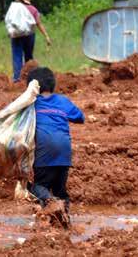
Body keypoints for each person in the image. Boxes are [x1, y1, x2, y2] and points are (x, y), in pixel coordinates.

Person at [26, 67, 85, 215]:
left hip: (44, 152)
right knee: (60, 191)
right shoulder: (62, 101)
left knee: (37, 186)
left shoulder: (31, 103)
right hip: (64, 154)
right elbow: (80, 117)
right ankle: (65, 223)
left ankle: (50, 202)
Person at [7, 0, 51, 83]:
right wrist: (46, 36)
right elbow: (38, 23)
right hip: (29, 36)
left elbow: (9, 21)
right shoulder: (33, 9)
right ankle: (30, 78)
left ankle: (17, 79)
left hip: (16, 36)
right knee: (29, 57)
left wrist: (10, 32)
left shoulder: (14, 9)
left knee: (17, 56)